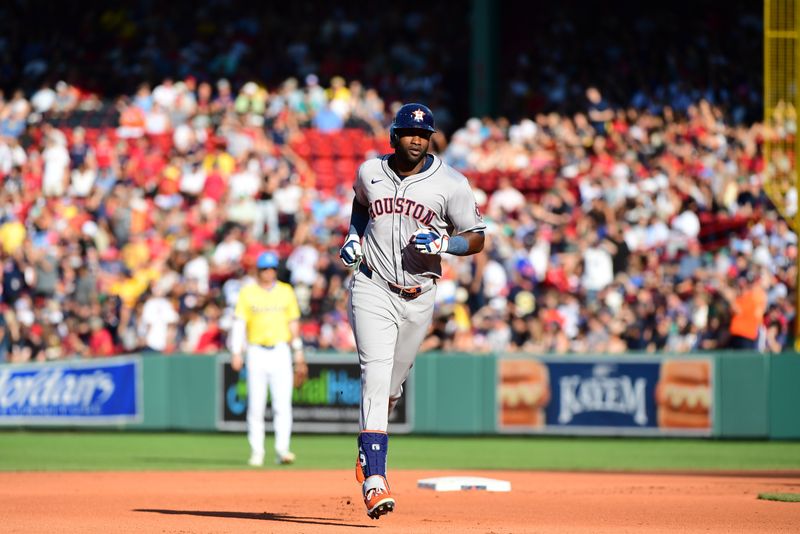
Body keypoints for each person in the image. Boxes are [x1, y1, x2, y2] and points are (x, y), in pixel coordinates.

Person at [339, 103, 486, 519]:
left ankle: (367, 450)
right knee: (375, 372)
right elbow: (360, 204)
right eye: (408, 132)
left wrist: (445, 245)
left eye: (423, 134)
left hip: (420, 294)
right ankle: (375, 479)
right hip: (372, 285)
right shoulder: (370, 171)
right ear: (394, 136)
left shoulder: (452, 183)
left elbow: (475, 237)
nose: (416, 139)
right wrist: (353, 237)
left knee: (391, 387)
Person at [230, 251, 308, 466]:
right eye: (265, 268)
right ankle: (257, 451)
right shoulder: (247, 293)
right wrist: (237, 351)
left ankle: (282, 449)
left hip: (281, 350)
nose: (269, 272)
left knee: (282, 405)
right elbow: (239, 323)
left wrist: (298, 352)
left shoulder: (285, 291)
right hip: (256, 350)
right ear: (258, 270)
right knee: (256, 405)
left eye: (272, 268)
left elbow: (293, 323)